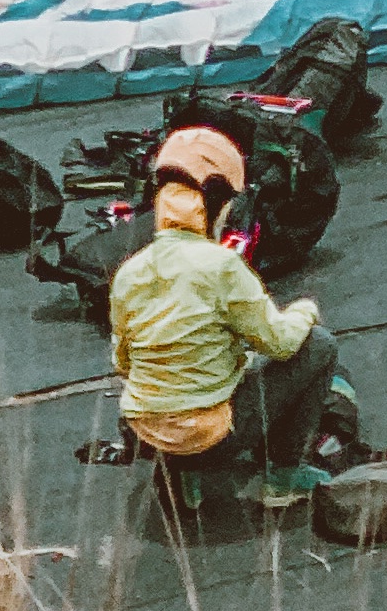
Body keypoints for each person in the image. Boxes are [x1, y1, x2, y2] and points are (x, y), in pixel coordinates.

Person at [108, 125, 337, 507]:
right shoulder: (222, 267)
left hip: (146, 435)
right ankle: (282, 478)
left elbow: (123, 362)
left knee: (176, 385)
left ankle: (181, 479)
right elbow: (279, 344)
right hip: (212, 439)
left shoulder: (129, 272)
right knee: (318, 346)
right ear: (213, 208)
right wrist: (305, 310)